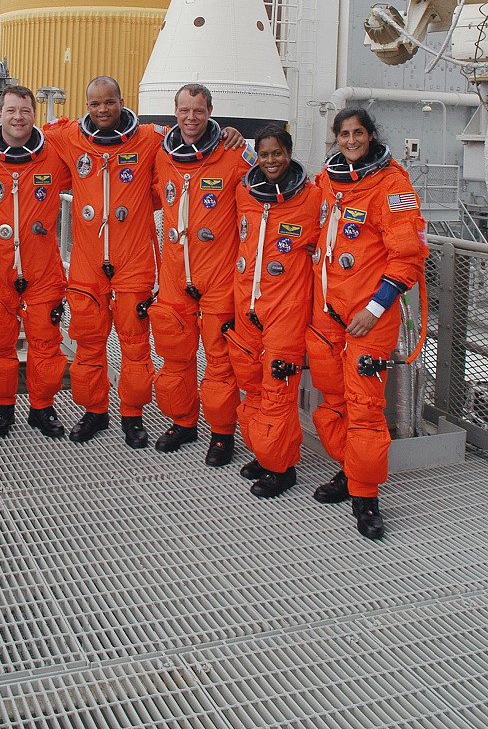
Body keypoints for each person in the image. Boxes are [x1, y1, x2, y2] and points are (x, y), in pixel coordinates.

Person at [308, 107, 428, 540]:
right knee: (334, 401)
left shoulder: (393, 186)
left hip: (366, 318)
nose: (351, 140)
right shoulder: (328, 181)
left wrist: (374, 309)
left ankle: (367, 497)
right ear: (336, 139)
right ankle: (349, 471)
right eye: (344, 134)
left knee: (364, 409)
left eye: (358, 132)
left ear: (371, 135)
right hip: (327, 314)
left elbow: (407, 258)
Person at [43, 77, 164, 447]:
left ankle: (132, 414)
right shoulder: (70, 137)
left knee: (134, 344)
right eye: (94, 104)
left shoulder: (148, 138)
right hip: (87, 262)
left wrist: (229, 135)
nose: (102, 110)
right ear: (86, 106)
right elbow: (23, 133)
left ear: (121, 101)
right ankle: (95, 410)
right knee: (88, 343)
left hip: (134, 261)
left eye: (109, 102)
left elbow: (191, 138)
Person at [151, 83, 254, 465]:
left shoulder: (233, 154)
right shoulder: (162, 153)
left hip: (219, 278)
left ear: (210, 111)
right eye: (184, 110)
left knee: (220, 362)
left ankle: (222, 434)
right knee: (175, 358)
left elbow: (271, 182)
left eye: (198, 110)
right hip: (175, 276)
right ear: (174, 111)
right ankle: (183, 422)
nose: (190, 118)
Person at [0, 85, 71, 440]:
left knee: (46, 343)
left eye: (25, 111)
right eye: (11, 111)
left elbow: (87, 145)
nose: (18, 117)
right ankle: (2, 407)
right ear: (0, 114)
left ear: (34, 115)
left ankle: (42, 407)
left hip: (42, 269)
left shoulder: (54, 155)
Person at [225, 125, 320, 497]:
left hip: (286, 310)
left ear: (289, 153)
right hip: (248, 306)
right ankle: (264, 452)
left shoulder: (312, 197)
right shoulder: (244, 193)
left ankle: (282, 468)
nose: (270, 161)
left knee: (278, 389)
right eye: (264, 154)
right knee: (251, 385)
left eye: (277, 153)